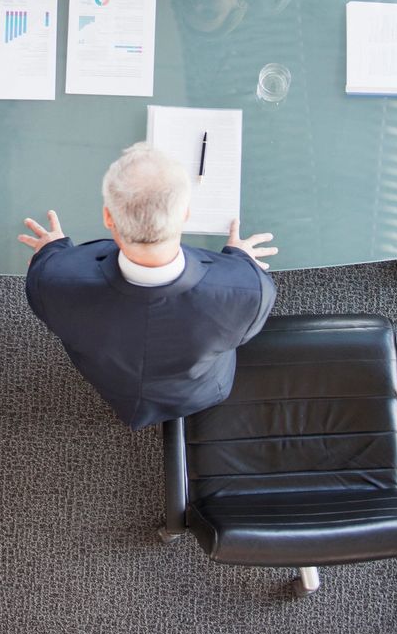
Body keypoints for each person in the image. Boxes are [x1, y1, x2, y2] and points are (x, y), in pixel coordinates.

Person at [20, 143, 276, 431]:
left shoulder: (52, 280)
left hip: (113, 385)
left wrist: (52, 250)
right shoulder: (248, 290)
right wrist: (240, 259)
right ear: (185, 214)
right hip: (200, 390)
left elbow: (51, 272)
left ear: (108, 217)